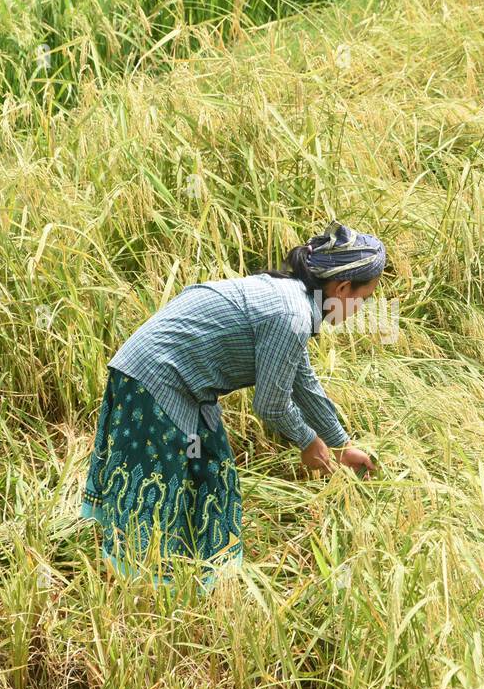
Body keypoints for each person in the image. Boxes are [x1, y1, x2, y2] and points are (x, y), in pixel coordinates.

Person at [81, 221, 383, 585]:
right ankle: (139, 586)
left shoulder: (294, 302)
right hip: (154, 383)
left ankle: (200, 581)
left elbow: (303, 382)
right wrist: (308, 442)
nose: (359, 311)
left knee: (205, 467)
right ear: (343, 288)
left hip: (186, 388)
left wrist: (340, 443)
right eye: (362, 300)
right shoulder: (291, 315)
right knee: (160, 484)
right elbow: (271, 404)